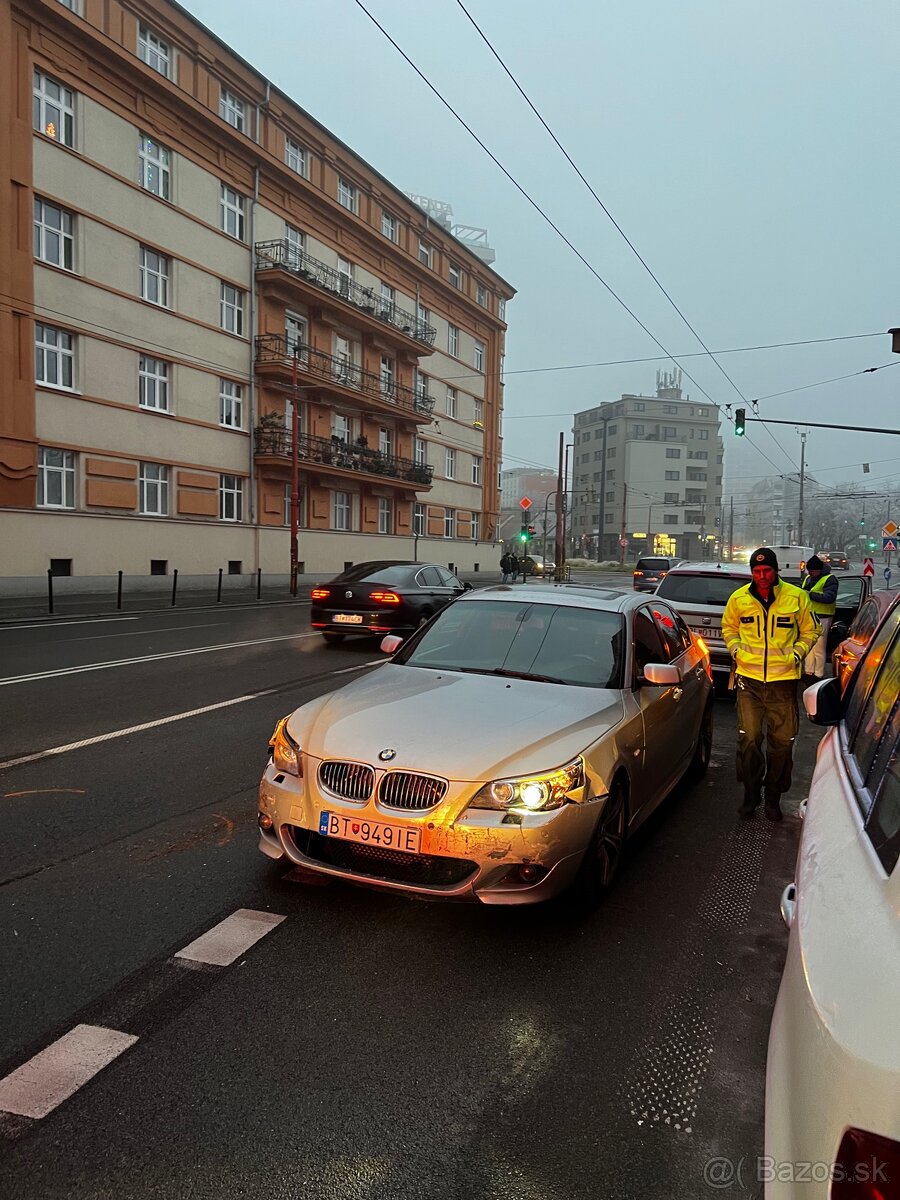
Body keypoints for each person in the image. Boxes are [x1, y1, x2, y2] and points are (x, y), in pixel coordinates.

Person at [722, 547, 818, 821]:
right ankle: (751, 795)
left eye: (766, 571)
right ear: (751, 572)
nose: (762, 576)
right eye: (756, 571)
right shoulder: (739, 599)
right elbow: (728, 628)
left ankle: (773, 797)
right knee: (749, 739)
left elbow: (812, 629)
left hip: (783, 682)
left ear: (776, 570)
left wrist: (797, 652)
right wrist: (736, 650)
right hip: (749, 681)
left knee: (782, 743)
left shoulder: (797, 597)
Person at [799, 554, 838, 681]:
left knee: (819, 647)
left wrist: (810, 595)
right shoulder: (808, 578)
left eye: (812, 571)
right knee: (809, 645)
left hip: (823, 617)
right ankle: (809, 672)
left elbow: (829, 598)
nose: (810, 573)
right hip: (809, 616)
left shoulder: (830, 579)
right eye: (808, 571)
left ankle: (818, 674)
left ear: (819, 569)